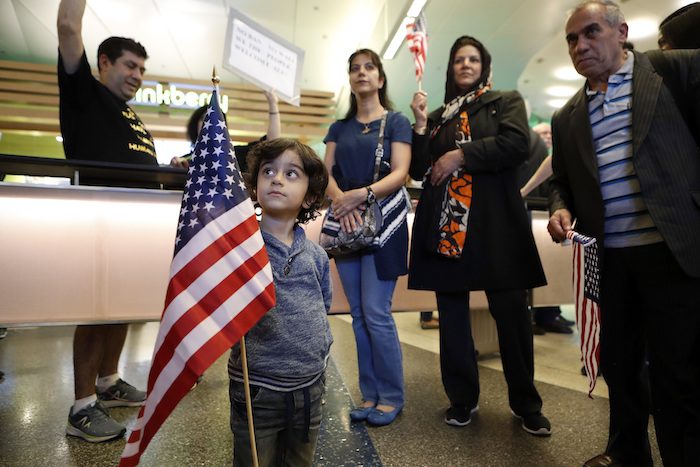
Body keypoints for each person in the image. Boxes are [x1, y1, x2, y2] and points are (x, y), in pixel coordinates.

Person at [547, 2, 700, 466]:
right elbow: (561, 182)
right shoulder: (568, 115)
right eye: (572, 39)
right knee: (621, 366)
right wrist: (559, 208)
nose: (580, 45)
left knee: (679, 373)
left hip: (673, 251)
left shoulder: (676, 71)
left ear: (622, 32)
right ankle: (628, 455)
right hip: (611, 262)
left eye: (591, 32)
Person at [408, 35, 551, 436]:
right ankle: (461, 400)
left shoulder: (504, 101)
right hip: (448, 228)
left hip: (494, 226)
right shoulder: (437, 116)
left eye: (473, 59)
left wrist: (460, 155)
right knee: (452, 319)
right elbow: (420, 170)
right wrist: (421, 126)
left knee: (512, 318)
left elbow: (517, 144)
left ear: (483, 66)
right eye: (458, 60)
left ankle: (526, 404)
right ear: (451, 69)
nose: (465, 65)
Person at [57, 0, 150, 442]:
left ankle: (108, 382)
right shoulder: (84, 93)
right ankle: (81, 409)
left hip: (130, 224)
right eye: (129, 66)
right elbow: (67, 25)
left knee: (119, 307)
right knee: (95, 310)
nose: (136, 75)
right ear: (104, 63)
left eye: (141, 70)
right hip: (96, 219)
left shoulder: (130, 115)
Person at [228, 138, 331, 467]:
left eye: (291, 174)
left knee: (300, 461)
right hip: (257, 389)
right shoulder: (243, 250)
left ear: (310, 196)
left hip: (310, 389)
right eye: (268, 171)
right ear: (255, 187)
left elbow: (323, 305)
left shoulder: (316, 256)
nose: (276, 179)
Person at [323, 49, 412, 426]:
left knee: (376, 313)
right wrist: (342, 199)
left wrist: (364, 194)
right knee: (358, 315)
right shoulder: (338, 129)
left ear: (380, 78)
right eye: (354, 68)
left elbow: (402, 173)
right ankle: (370, 395)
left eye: (369, 67)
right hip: (347, 222)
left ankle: (391, 396)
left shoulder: (397, 121)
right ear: (350, 79)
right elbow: (323, 172)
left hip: (385, 222)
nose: (361, 73)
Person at [519, 123, 574, 335]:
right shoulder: (532, 149)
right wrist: (523, 192)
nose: (548, 137)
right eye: (544, 133)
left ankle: (550, 313)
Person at [171, 89, 281, 174]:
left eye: (217, 119)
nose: (211, 123)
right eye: (206, 118)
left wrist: (273, 104)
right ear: (196, 125)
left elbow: (272, 144)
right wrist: (174, 169)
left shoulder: (236, 155)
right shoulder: (185, 162)